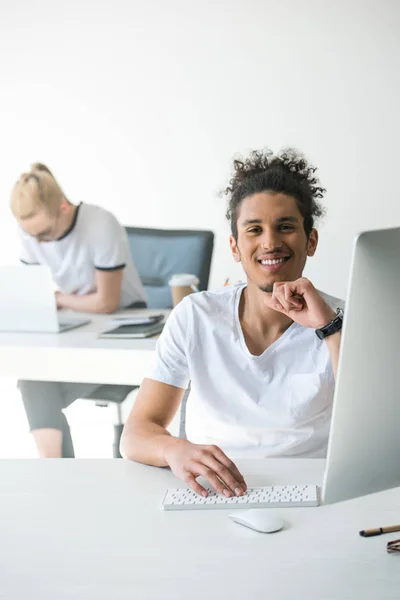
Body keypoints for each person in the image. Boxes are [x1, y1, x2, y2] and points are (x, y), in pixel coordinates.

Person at [121, 148, 344, 496]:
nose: (270, 242)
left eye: (285, 227)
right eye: (254, 230)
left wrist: (329, 327)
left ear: (310, 240)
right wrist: (173, 449)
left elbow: (375, 431)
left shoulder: (342, 320)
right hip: (213, 492)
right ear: (235, 247)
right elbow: (136, 433)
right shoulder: (196, 315)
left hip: (313, 491)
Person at [10, 163, 146, 458]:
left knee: (36, 384)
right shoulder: (31, 235)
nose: (39, 243)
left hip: (123, 331)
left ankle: (55, 473)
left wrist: (58, 299)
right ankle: (54, 471)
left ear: (63, 207)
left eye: (45, 233)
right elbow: (34, 299)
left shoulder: (99, 223)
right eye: (31, 236)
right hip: (79, 327)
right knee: (34, 377)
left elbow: (106, 303)